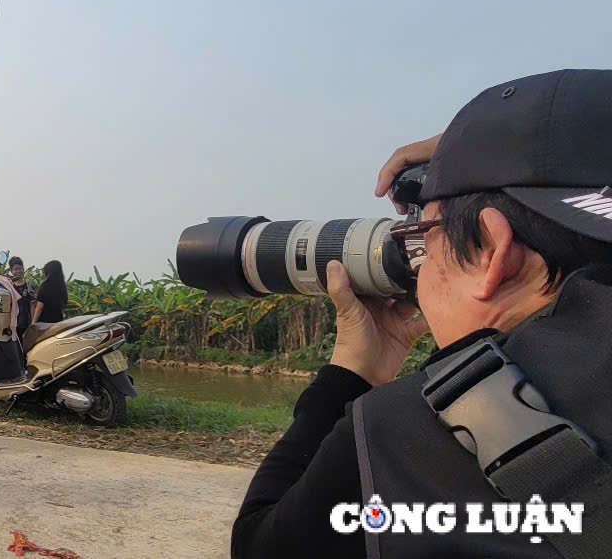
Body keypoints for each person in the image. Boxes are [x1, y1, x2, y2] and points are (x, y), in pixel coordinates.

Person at [232, 69, 612, 558]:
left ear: (491, 250)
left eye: (422, 241)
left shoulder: (413, 431)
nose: (420, 272)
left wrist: (353, 372)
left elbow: (261, 547)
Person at [7, 256, 36, 338]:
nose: (18, 271)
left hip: (26, 322)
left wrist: (32, 324)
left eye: (20, 268)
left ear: (23, 269)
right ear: (11, 271)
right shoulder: (10, 287)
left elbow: (32, 305)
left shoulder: (29, 286)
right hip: (13, 324)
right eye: (15, 269)